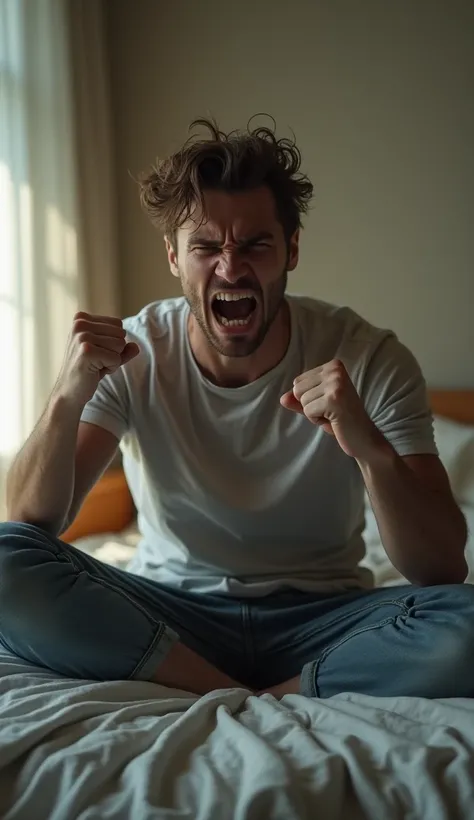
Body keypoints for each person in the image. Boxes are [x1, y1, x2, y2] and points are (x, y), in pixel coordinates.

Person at [1, 118, 472, 700]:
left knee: (466, 619)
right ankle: (238, 692)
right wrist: (66, 395)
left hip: (325, 618)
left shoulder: (367, 356)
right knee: (4, 559)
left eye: (254, 244)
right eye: (205, 247)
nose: (230, 267)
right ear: (174, 256)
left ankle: (275, 690)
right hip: (172, 618)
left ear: (291, 250)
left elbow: (441, 569)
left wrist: (370, 450)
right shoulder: (134, 351)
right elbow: (31, 519)